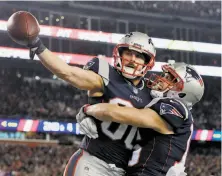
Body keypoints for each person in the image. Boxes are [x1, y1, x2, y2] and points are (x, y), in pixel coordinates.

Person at [10, 26, 156, 175]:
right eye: (128, 53)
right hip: (93, 163)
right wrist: (37, 45)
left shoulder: (153, 94)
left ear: (148, 61)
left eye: (139, 56)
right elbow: (68, 73)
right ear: (119, 54)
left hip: (125, 171)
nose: (132, 59)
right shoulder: (106, 75)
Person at [81, 62, 204, 176]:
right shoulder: (164, 106)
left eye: (171, 79)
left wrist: (89, 109)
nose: (163, 79)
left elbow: (131, 116)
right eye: (165, 75)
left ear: (182, 92)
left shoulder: (176, 106)